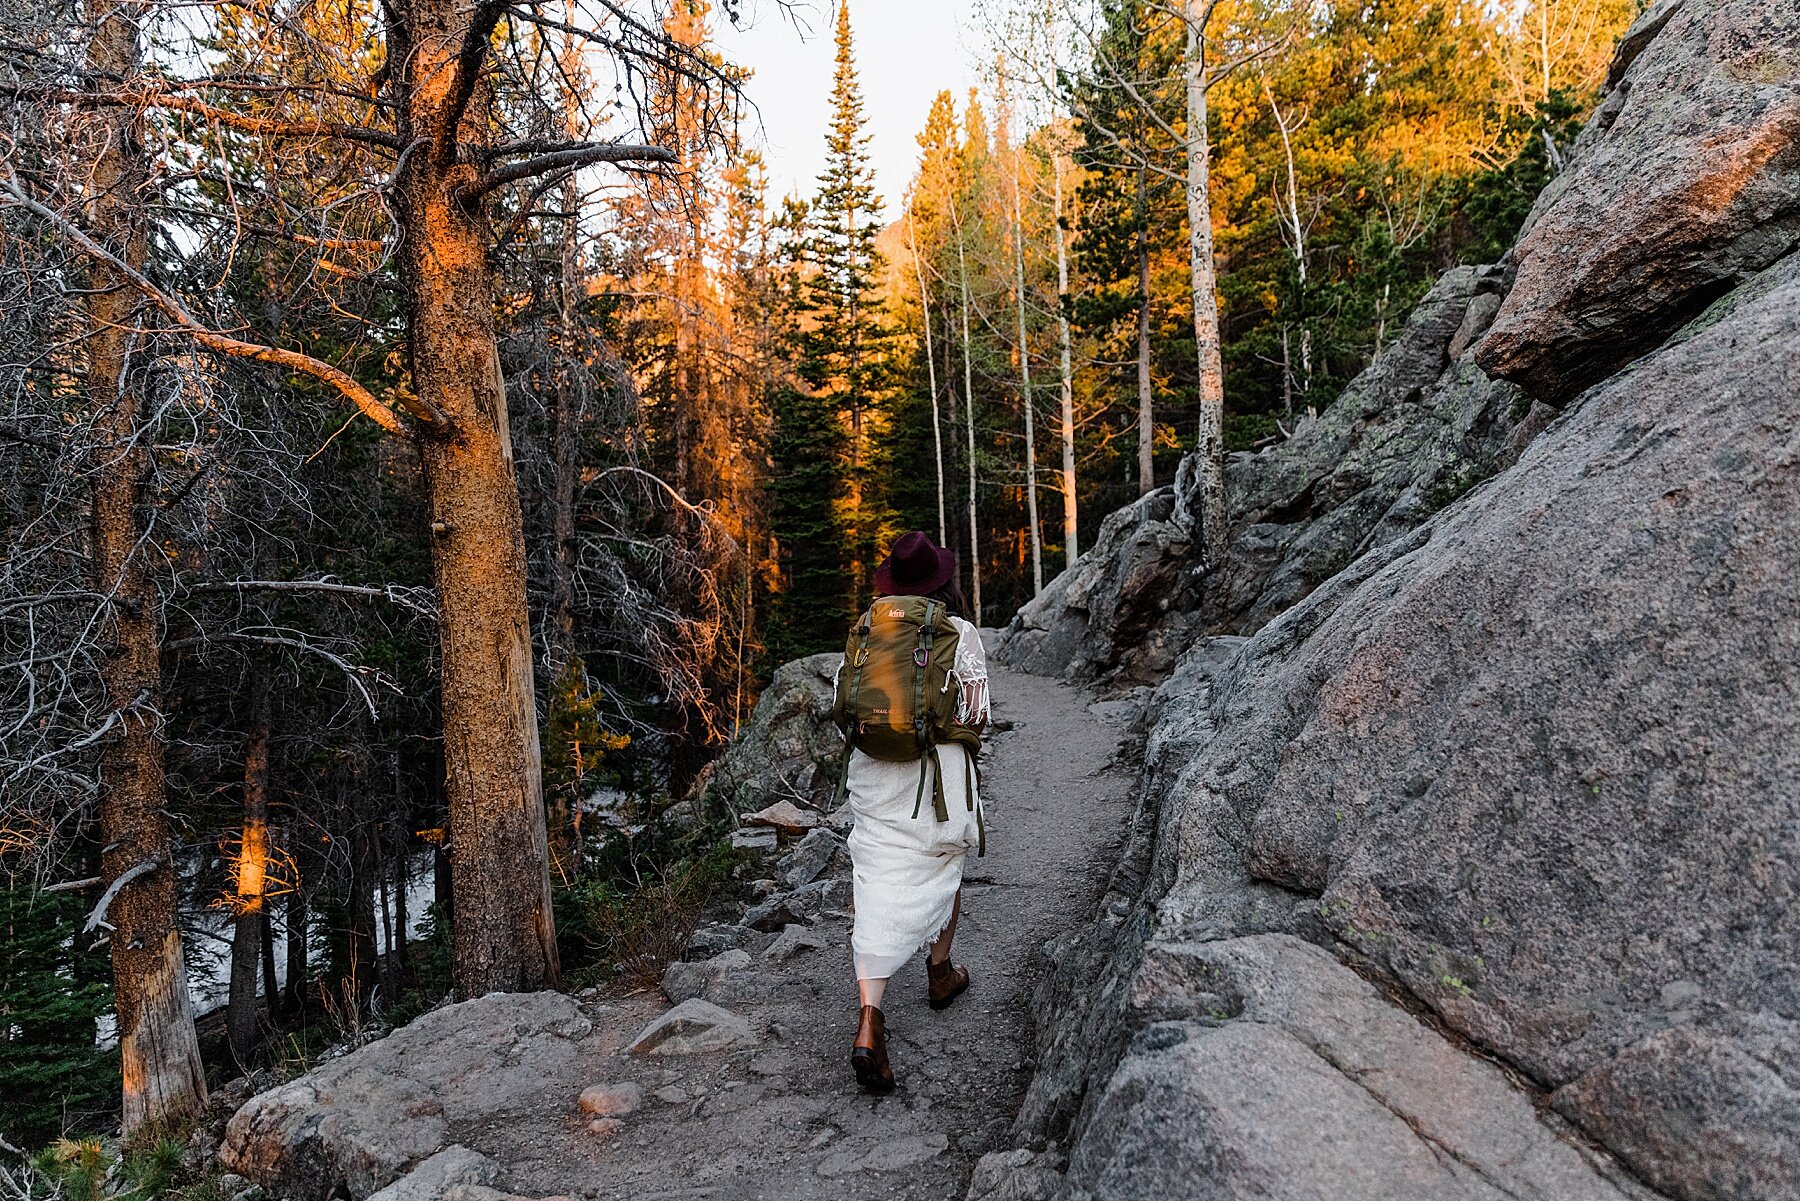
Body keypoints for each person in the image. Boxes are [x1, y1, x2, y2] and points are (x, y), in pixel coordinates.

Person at [839, 530, 988, 1093]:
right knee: (941, 865)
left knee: (875, 874)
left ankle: (870, 1018)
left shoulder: (867, 630)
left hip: (874, 773)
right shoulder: (958, 632)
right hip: (935, 778)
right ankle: (940, 971)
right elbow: (977, 712)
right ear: (941, 580)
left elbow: (844, 698)